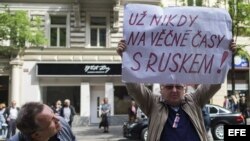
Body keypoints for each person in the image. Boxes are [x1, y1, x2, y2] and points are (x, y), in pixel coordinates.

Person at [116, 39, 236, 141]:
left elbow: (214, 82)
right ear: (161, 89)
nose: (174, 90)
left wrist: (226, 56)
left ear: (184, 89)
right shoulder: (153, 104)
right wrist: (126, 59)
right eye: (169, 87)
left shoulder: (194, 101)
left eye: (178, 87)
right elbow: (134, 88)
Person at [7, 102, 76, 141]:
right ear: (36, 135)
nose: (57, 119)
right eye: (51, 120)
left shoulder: (62, 124)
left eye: (53, 113)